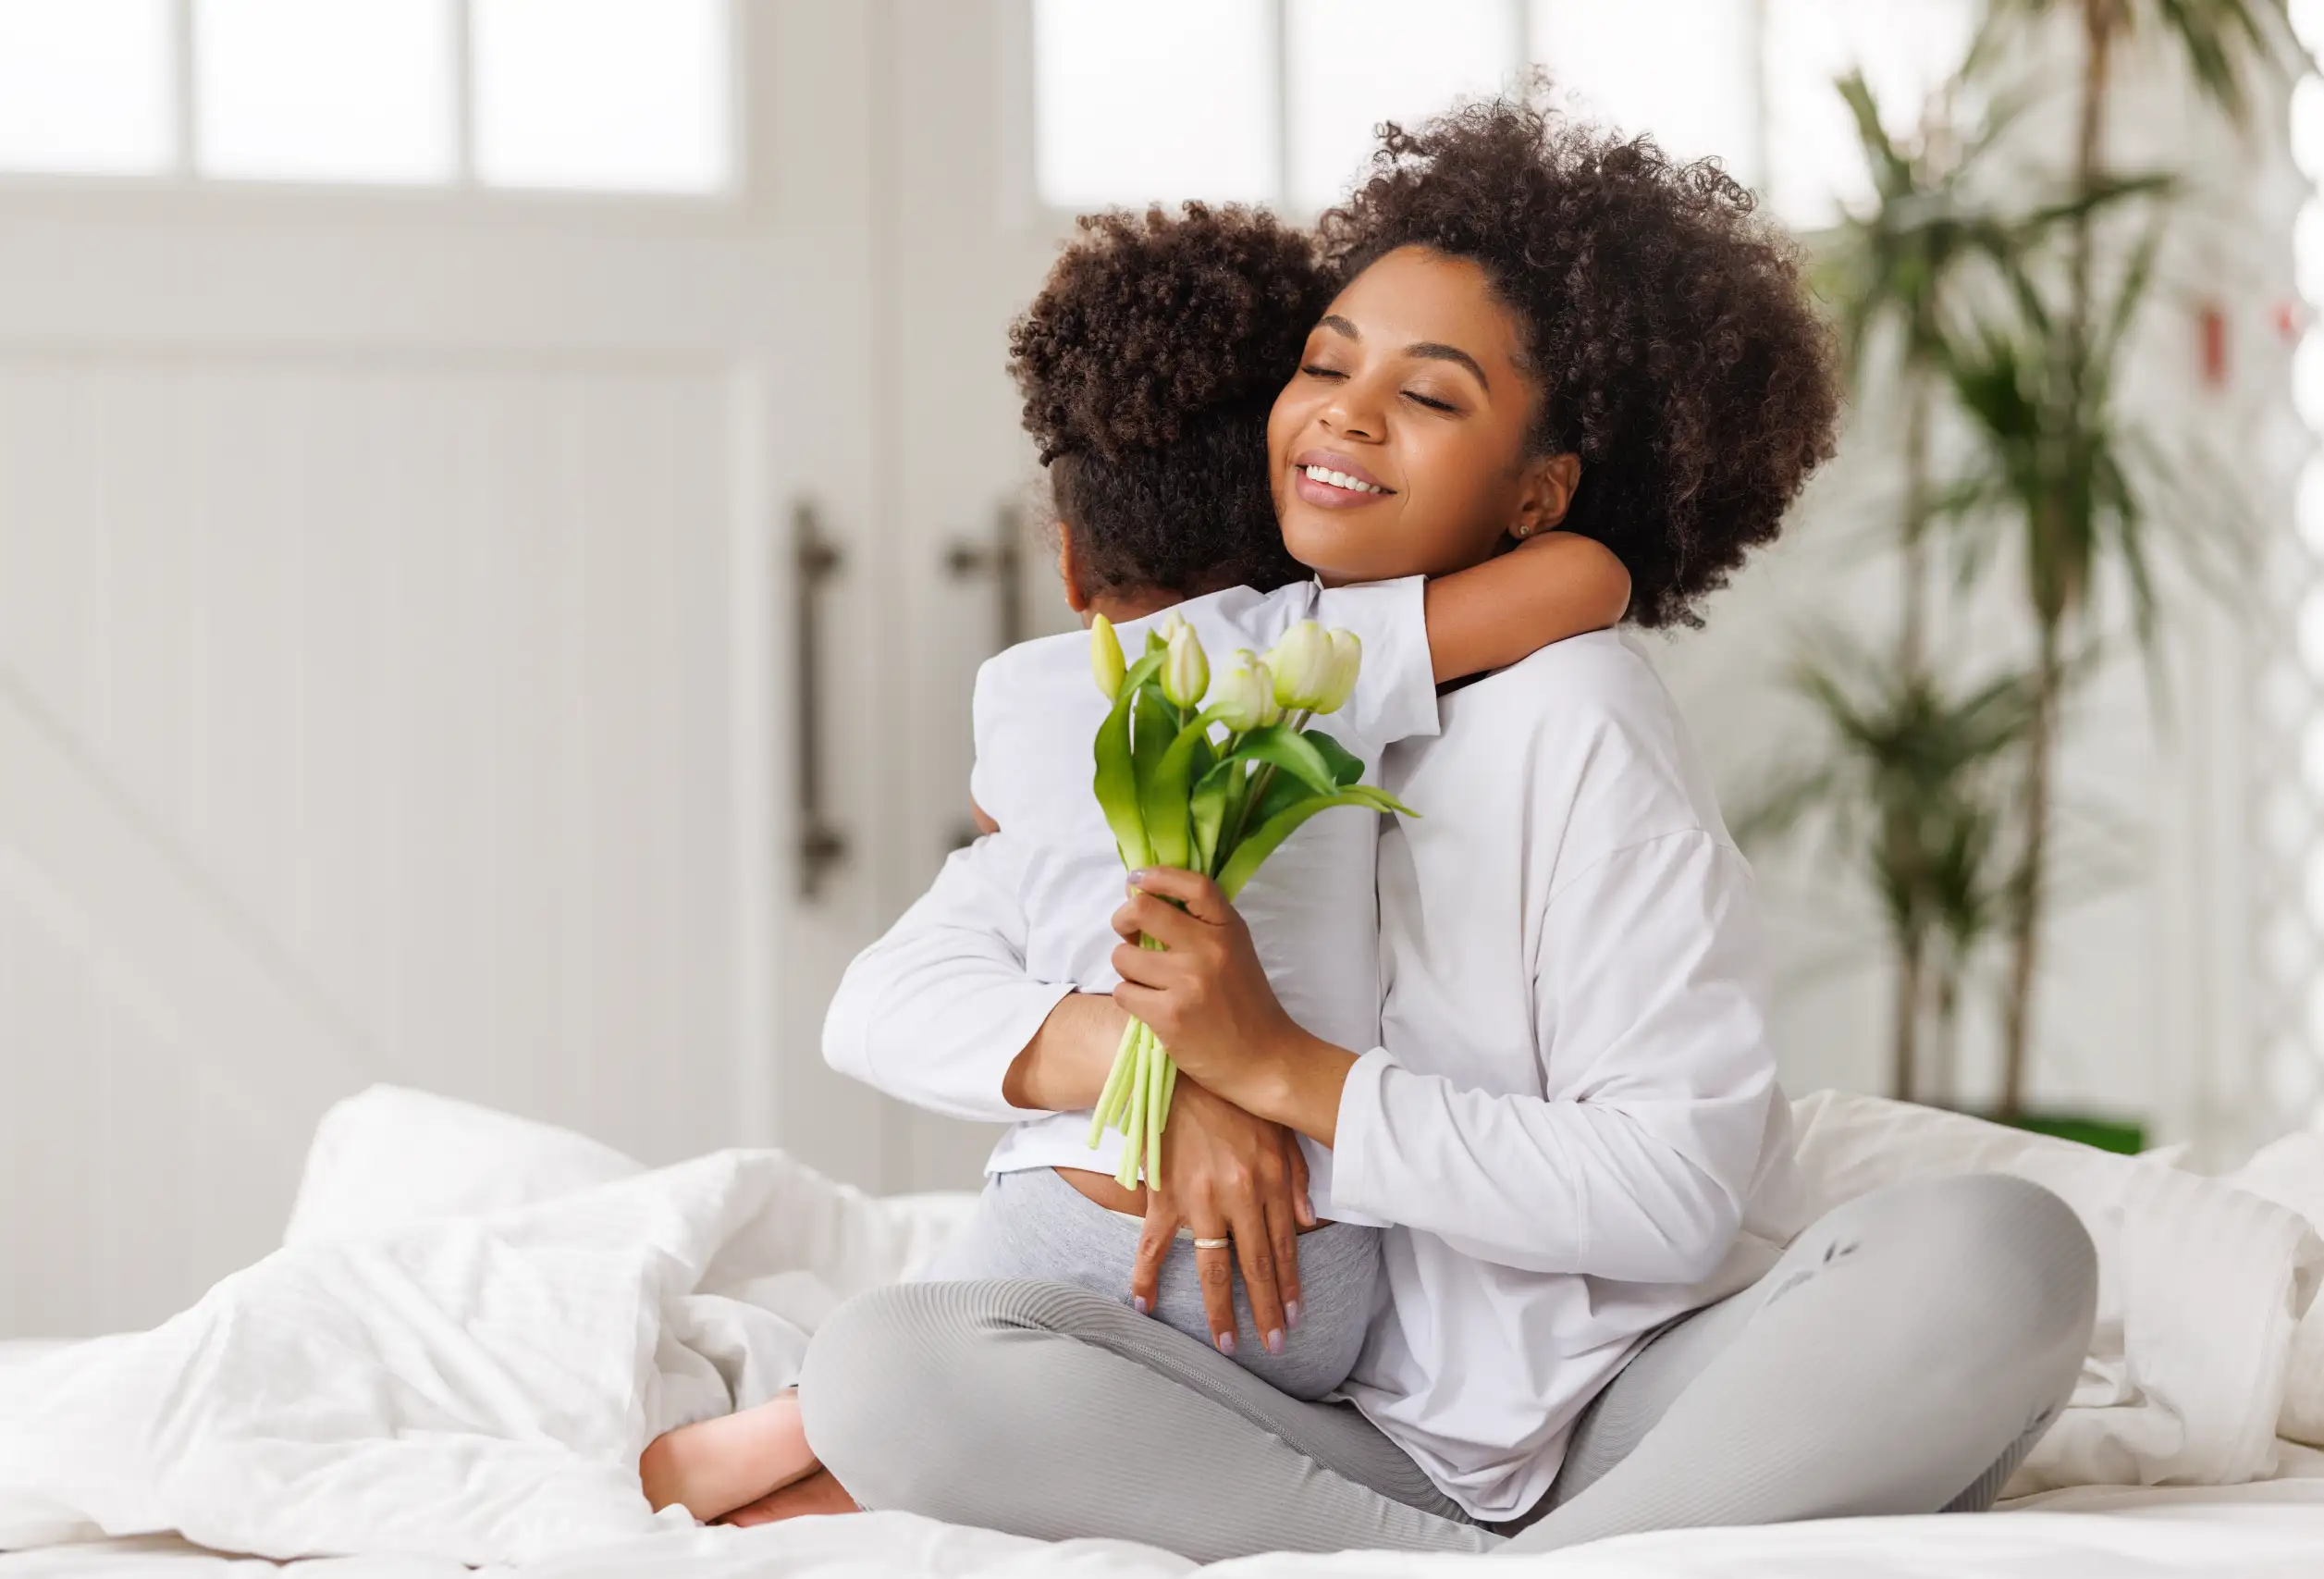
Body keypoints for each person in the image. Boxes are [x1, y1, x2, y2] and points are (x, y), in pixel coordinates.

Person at [791, 101, 2099, 1560]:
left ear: (1539, 491)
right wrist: (1166, 1064)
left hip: (1631, 1411)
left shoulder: (1578, 717)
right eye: (1326, 363)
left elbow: (1666, 1195)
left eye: (1433, 394)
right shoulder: (1220, 688)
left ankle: (1525, 1560)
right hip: (1340, 1429)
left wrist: (1290, 1071)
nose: (1347, 412)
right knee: (882, 1365)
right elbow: (906, 987)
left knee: (2003, 1250)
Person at [637, 201, 1629, 1523]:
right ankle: (822, 1458)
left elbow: (1006, 847)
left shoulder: (1018, 701)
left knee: (924, 1371)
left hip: (1075, 1225)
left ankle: (779, 1441)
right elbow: (1590, 583)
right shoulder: (1310, 651)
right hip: (1316, 1284)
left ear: (1063, 559)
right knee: (1031, 1410)